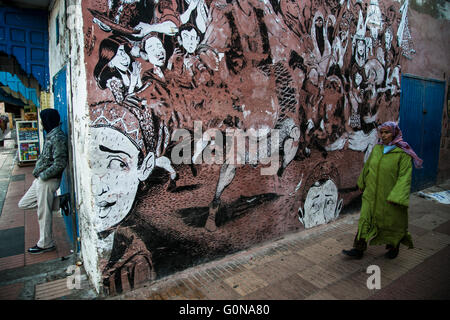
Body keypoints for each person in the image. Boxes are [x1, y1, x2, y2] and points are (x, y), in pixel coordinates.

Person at [342, 121, 423, 259]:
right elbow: (368, 167)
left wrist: (397, 196)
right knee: (365, 219)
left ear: (395, 133)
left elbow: (404, 177)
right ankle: (358, 249)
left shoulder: (402, 153)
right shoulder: (377, 149)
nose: (384, 135)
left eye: (387, 132)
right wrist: (361, 182)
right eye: (382, 132)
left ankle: (394, 246)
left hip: (389, 196)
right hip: (371, 194)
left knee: (391, 222)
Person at [19, 109, 68, 254]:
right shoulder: (51, 135)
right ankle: (61, 201)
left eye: (43, 119)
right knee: (24, 203)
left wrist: (43, 176)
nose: (41, 122)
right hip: (42, 179)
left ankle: (46, 243)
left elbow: (60, 163)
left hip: (48, 180)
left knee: (43, 212)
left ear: (48, 120)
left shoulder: (57, 137)